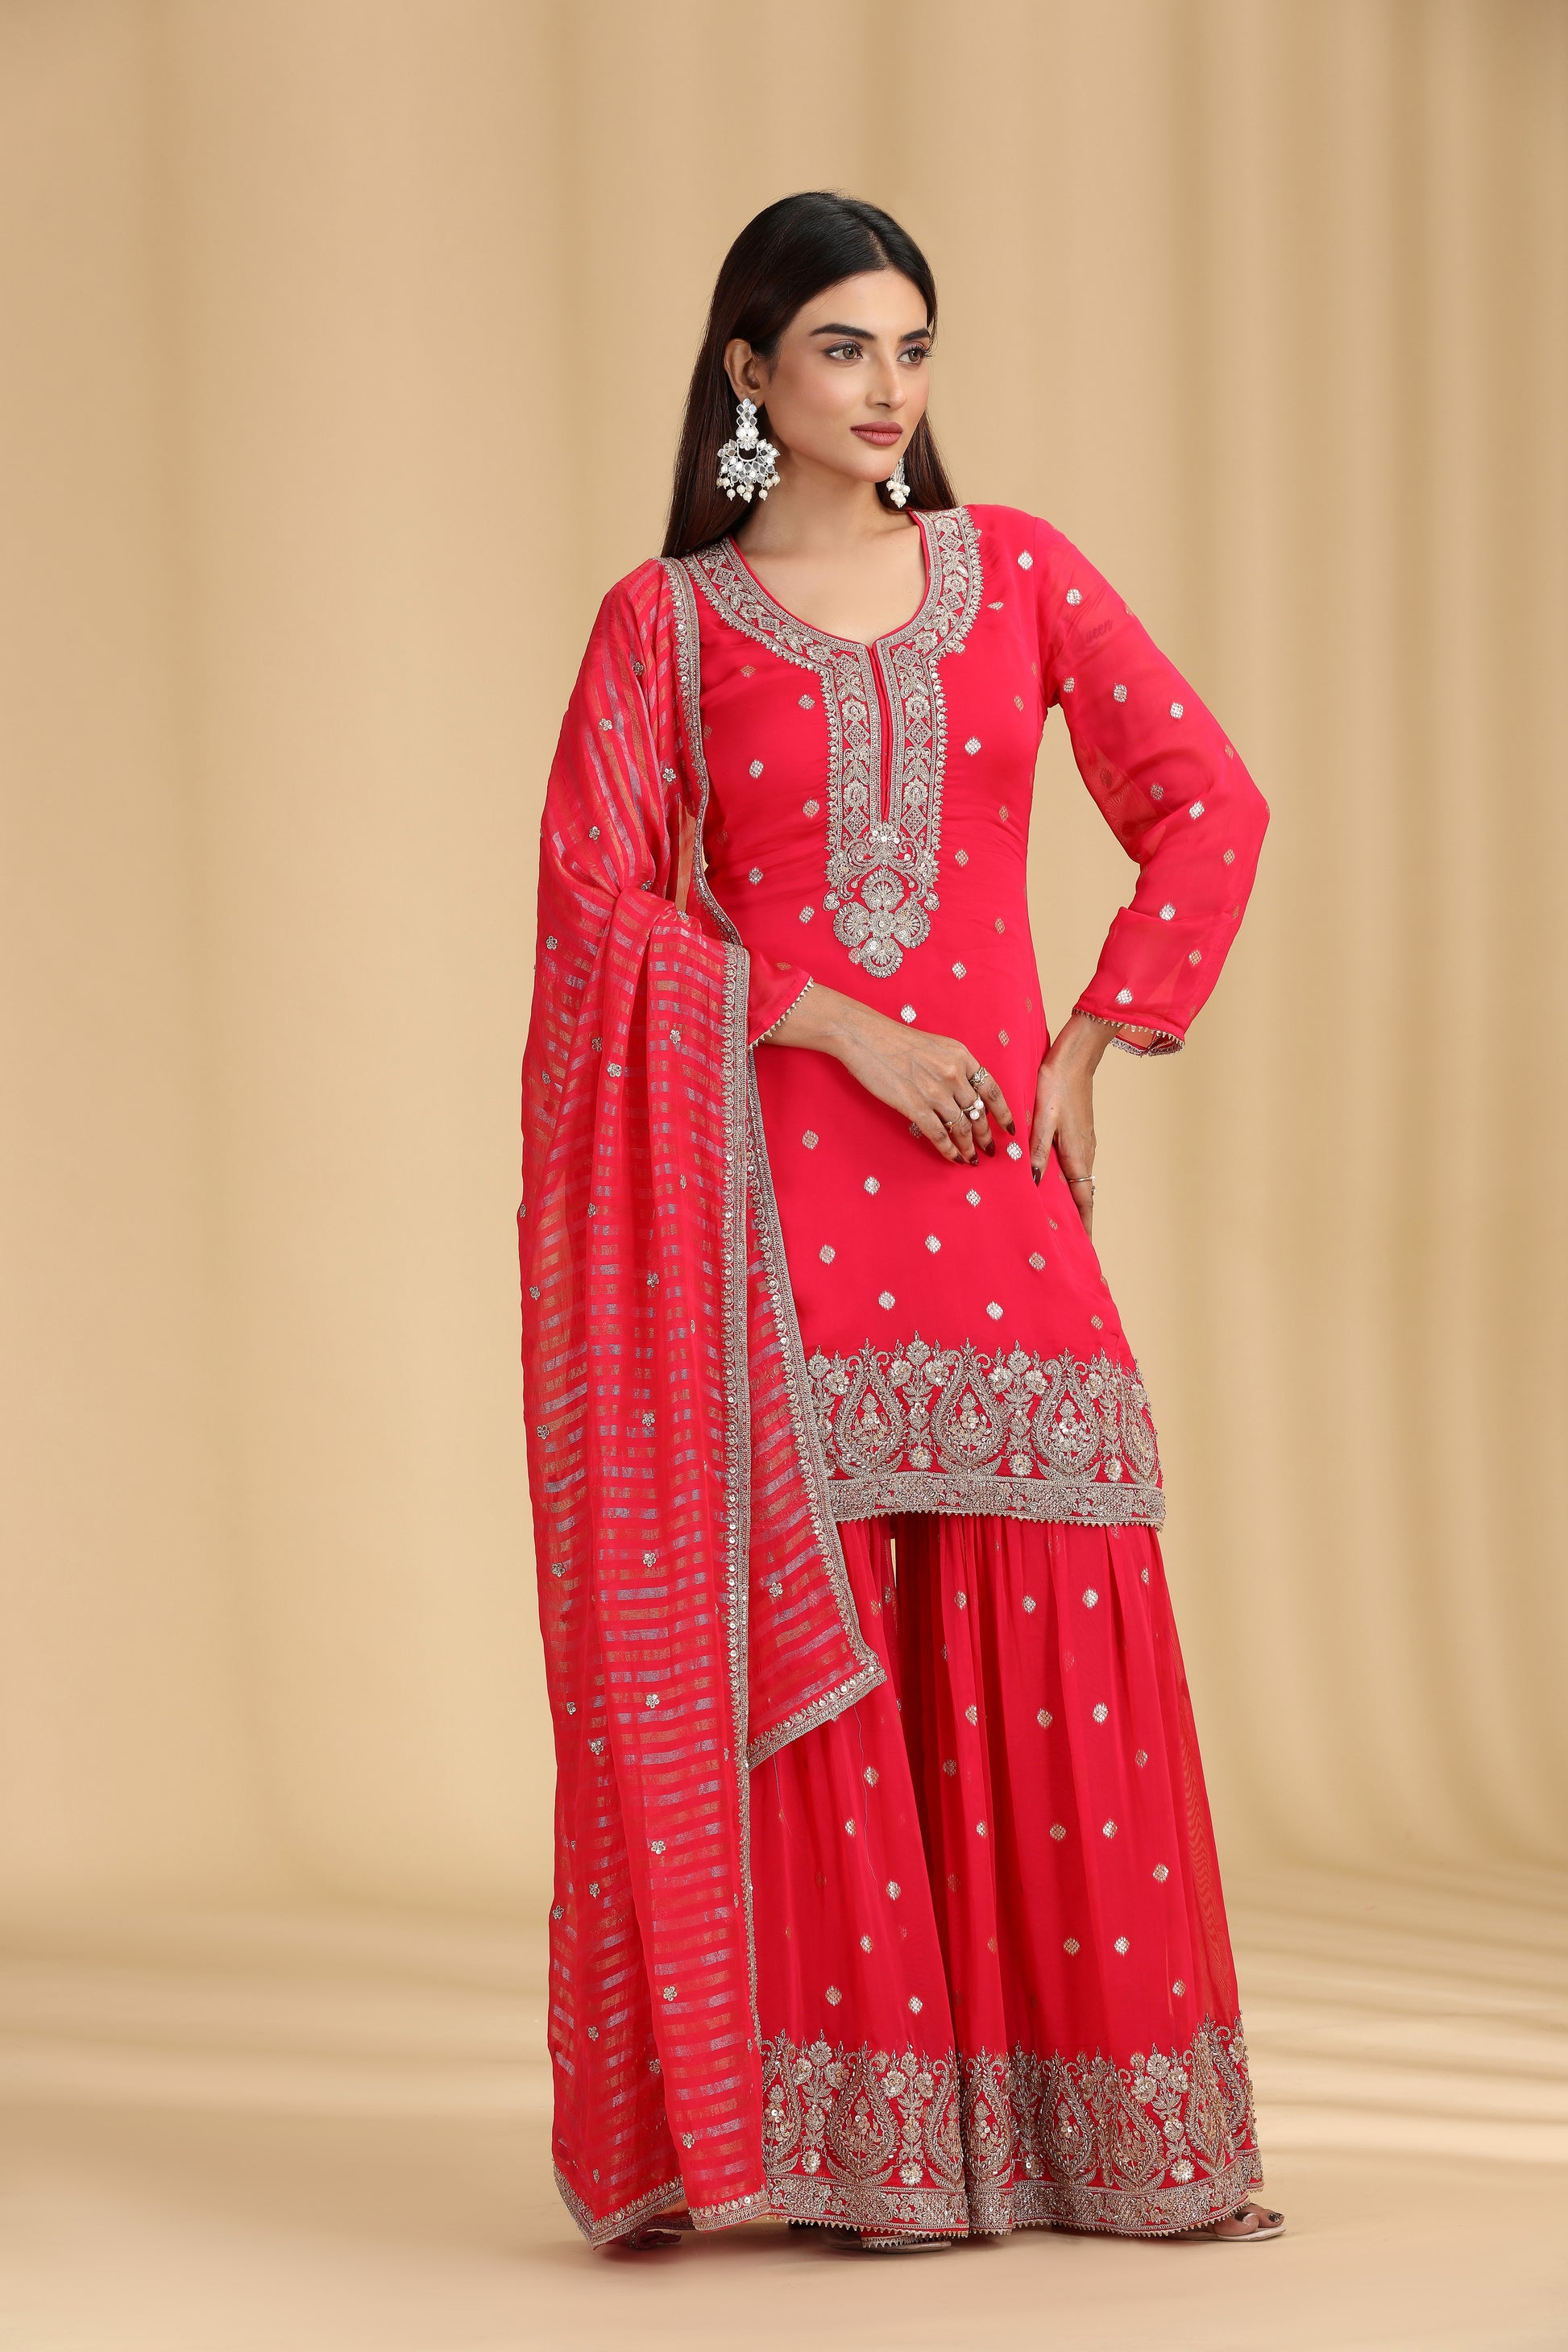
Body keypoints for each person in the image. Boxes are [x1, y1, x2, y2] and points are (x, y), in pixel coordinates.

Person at [520, 190, 1281, 2255]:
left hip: (986, 1193)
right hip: (768, 1203)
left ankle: (1102, 2142)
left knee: (1053, 1630)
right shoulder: (662, 625)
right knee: (825, 1640)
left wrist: (1098, 1038)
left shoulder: (1011, 569)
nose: (886, 391)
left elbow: (1207, 794)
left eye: (913, 349)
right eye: (842, 349)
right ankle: (876, 2160)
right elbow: (600, 911)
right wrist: (832, 1013)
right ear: (750, 370)